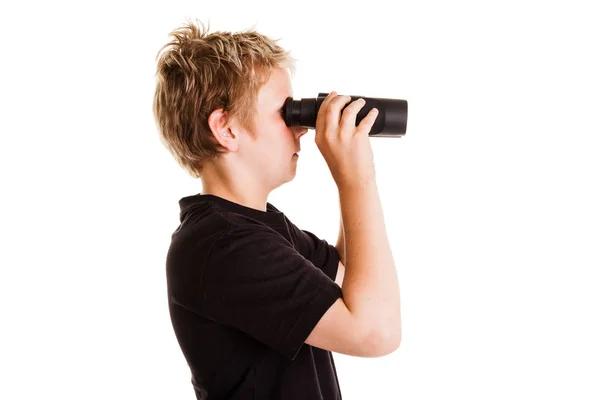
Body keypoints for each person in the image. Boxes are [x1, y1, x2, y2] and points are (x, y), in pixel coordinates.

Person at [152, 19, 401, 400]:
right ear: (227, 129)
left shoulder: (257, 229)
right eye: (287, 113)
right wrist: (356, 181)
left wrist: (349, 173)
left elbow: (352, 280)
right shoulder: (221, 246)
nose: (301, 129)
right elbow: (376, 332)